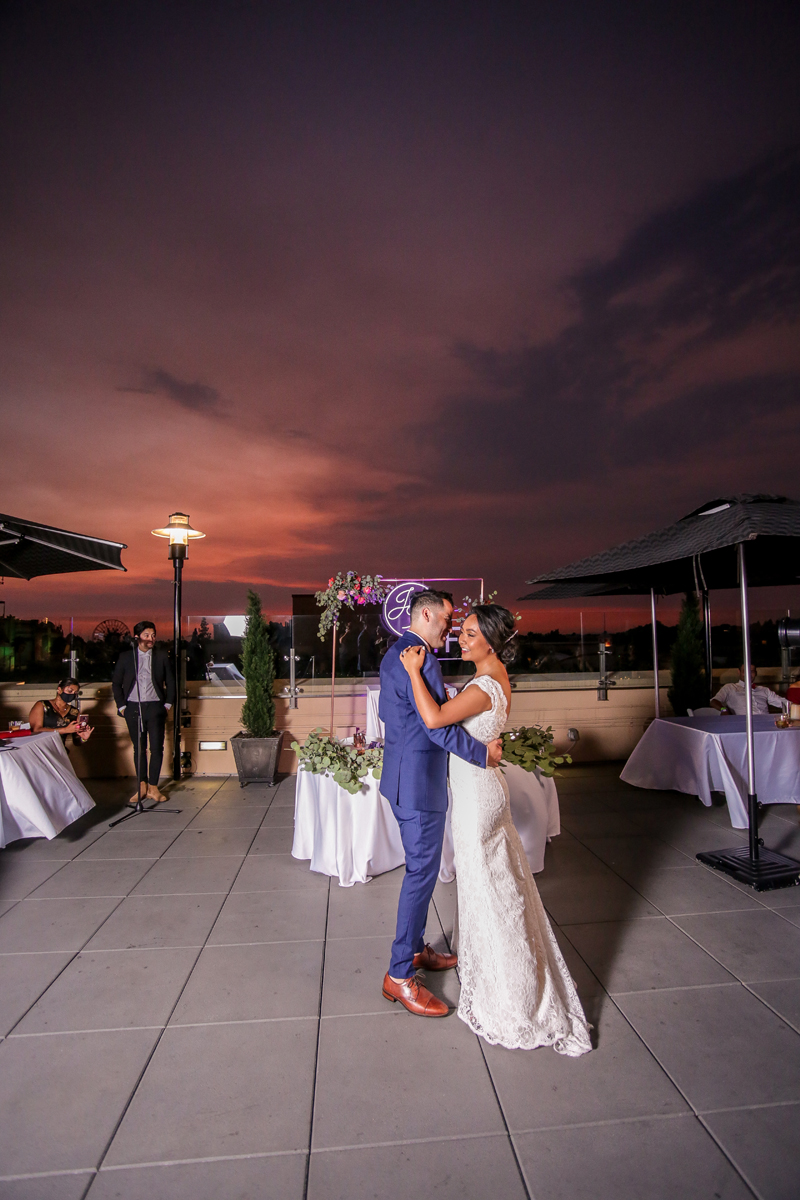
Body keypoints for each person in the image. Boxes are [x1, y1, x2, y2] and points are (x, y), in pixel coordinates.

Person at [400, 603, 592, 1055]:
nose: (460, 639)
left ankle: (514, 996)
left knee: (490, 892)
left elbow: (433, 719)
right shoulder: (495, 676)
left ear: (490, 640)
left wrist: (413, 671)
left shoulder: (485, 685)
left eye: (469, 634)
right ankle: (501, 975)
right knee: (496, 890)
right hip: (481, 790)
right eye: (460, 632)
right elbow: (460, 716)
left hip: (477, 799)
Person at [378, 589, 504, 1018]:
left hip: (400, 777)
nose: (450, 630)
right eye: (447, 621)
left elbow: (402, 717)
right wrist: (481, 754)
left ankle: (414, 952)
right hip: (418, 786)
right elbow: (435, 729)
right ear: (426, 614)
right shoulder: (422, 659)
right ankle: (399, 976)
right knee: (420, 874)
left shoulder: (395, 651)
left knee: (422, 871)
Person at [112, 621, 175, 803]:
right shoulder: (126, 657)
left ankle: (154, 787)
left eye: (153, 635)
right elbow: (116, 683)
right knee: (139, 748)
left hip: (156, 706)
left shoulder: (161, 656)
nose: (151, 639)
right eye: (147, 635)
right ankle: (141, 786)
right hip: (133, 707)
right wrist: (122, 706)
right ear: (137, 636)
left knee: (157, 748)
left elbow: (171, 681)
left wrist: (168, 704)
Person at [29, 678, 93, 744]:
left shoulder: (74, 712)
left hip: (60, 750)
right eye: (70, 691)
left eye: (75, 693)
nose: (72, 694)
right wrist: (64, 730)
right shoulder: (42, 705)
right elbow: (36, 730)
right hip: (41, 748)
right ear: (59, 690)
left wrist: (83, 738)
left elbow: (76, 741)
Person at [711, 664, 785, 715]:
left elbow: (783, 703)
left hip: (765, 723)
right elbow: (714, 701)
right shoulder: (730, 688)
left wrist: (795, 706)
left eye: (752, 671)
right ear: (739, 672)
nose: (749, 674)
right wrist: (724, 710)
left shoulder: (764, 690)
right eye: (745, 671)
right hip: (743, 725)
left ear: (755, 673)